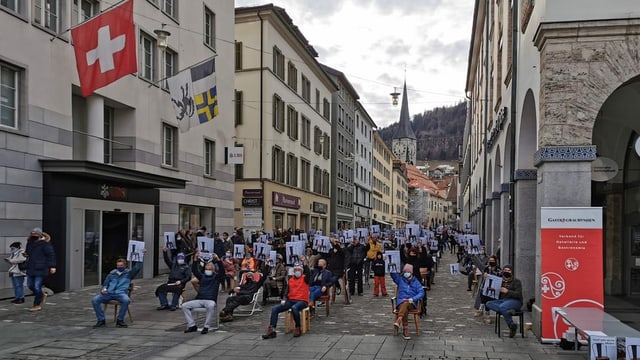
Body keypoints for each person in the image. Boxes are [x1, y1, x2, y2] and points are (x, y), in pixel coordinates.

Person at [262, 260, 311, 339]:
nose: (297, 272)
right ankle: (272, 329)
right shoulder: (291, 280)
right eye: (296, 270)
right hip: (291, 300)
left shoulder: (305, 279)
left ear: (302, 271)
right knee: (275, 309)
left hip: (302, 301)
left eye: (299, 270)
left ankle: (298, 327)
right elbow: (286, 292)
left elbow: (308, 273)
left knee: (294, 308)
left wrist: (305, 264)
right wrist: (284, 299)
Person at [91, 258, 142, 328]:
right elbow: (105, 284)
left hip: (121, 294)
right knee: (95, 300)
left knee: (126, 300)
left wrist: (141, 256)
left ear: (125, 266)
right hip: (109, 293)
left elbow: (137, 268)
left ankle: (120, 320)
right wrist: (103, 290)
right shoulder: (112, 274)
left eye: (121, 265)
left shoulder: (129, 274)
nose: (119, 267)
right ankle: (101, 320)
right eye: (118, 265)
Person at [182, 251, 224, 334]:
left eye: (209, 269)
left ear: (213, 270)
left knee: (211, 306)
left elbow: (222, 271)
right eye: (206, 269)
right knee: (184, 306)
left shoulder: (216, 278)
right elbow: (195, 270)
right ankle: (192, 325)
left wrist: (218, 260)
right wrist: (195, 259)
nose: (207, 270)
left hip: (210, 300)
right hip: (200, 299)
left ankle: (206, 326)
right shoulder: (202, 277)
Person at [485, 264, 523, 338]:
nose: (507, 272)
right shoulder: (500, 281)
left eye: (509, 270)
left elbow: (518, 294)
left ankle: (511, 325)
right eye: (505, 270)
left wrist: (507, 291)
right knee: (488, 303)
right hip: (503, 301)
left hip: (515, 301)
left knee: (502, 307)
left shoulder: (516, 281)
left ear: (512, 272)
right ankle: (508, 310)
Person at [25, 228, 56, 312]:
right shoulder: (30, 243)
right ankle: (42, 295)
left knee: (37, 286)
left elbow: (51, 255)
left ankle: (36, 305)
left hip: (41, 268)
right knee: (30, 285)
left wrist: (52, 266)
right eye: (32, 234)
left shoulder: (45, 244)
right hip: (31, 267)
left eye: (35, 234)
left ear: (39, 235)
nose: (33, 236)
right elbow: (28, 252)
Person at [390, 264, 425, 340]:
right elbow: (393, 275)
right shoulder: (400, 280)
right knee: (404, 305)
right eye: (405, 271)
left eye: (408, 271)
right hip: (400, 302)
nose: (406, 273)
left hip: (411, 302)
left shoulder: (416, 282)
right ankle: (404, 328)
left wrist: (413, 298)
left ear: (411, 272)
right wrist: (391, 264)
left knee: (406, 304)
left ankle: (400, 321)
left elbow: (421, 292)